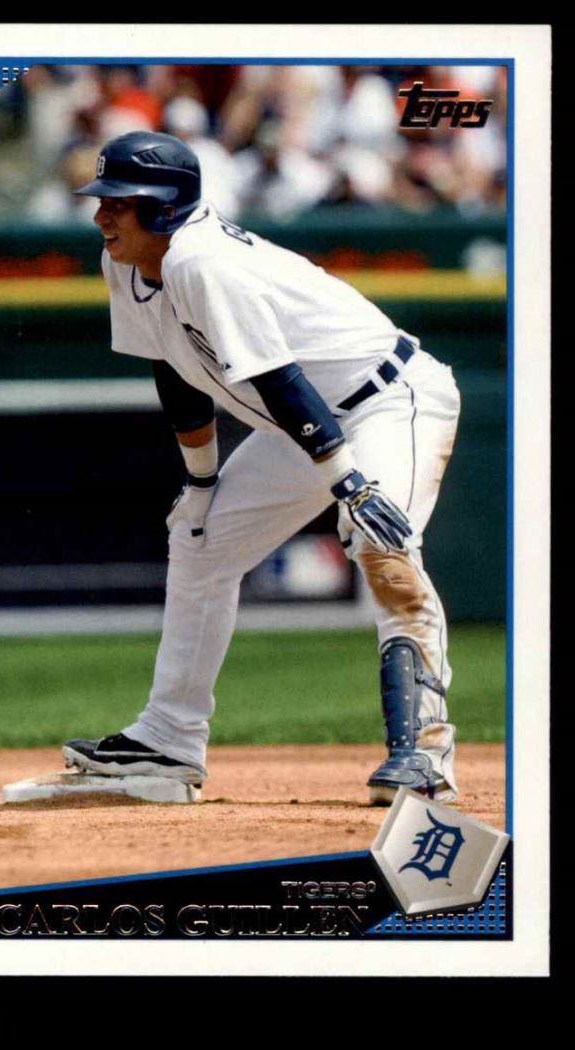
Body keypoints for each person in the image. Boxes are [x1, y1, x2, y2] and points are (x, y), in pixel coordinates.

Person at [63, 131, 460, 805]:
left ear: (162, 207)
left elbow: (280, 380)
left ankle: (423, 754)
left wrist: (349, 484)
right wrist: (201, 480)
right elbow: (176, 371)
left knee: (380, 546)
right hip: (306, 424)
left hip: (389, 400)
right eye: (103, 200)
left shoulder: (202, 261)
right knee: (201, 539)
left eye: (119, 203)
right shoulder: (127, 262)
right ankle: (168, 738)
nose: (102, 214)